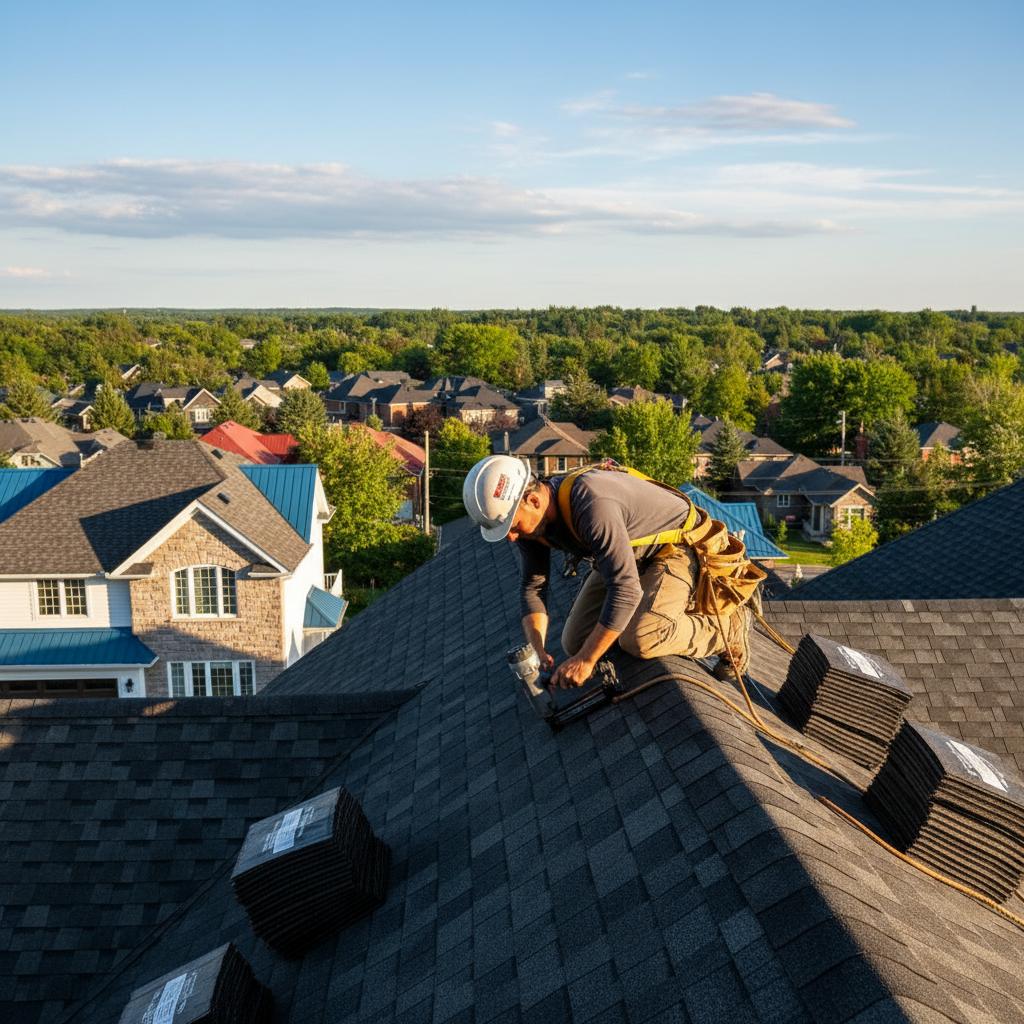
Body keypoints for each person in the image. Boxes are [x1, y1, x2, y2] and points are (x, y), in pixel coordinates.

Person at [462, 454, 755, 689]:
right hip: (628, 556)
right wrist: (537, 650)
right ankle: (648, 614)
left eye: (512, 527)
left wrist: (588, 661)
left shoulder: (590, 505)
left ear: (534, 501)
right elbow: (533, 587)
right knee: (573, 643)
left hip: (676, 548)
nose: (511, 538)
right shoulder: (532, 525)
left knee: (641, 637)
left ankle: (726, 630)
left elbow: (626, 590)